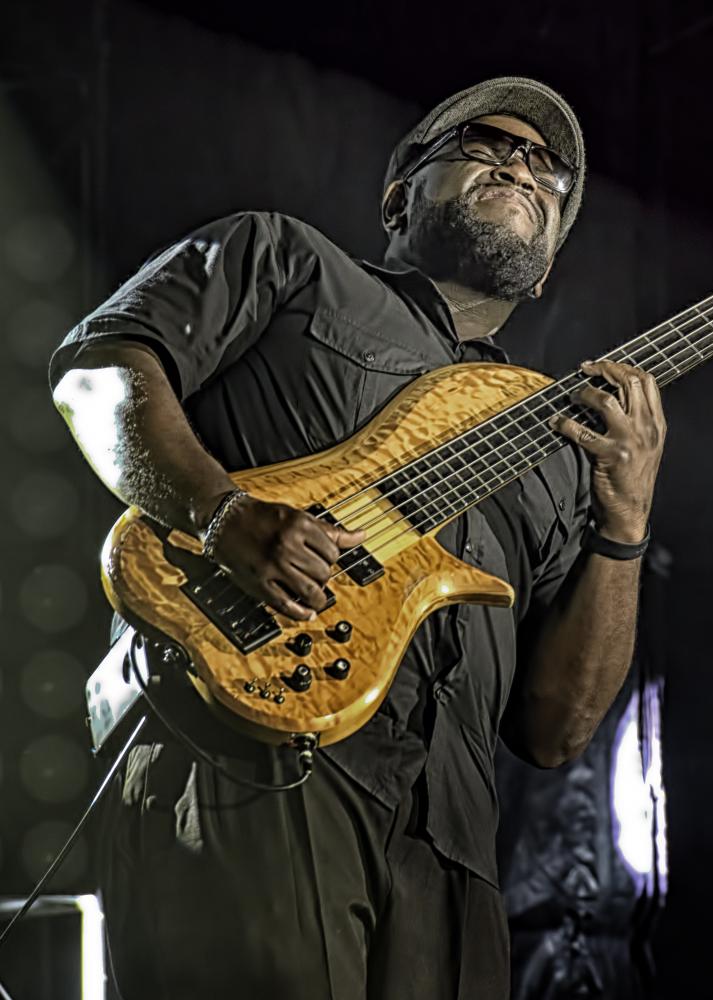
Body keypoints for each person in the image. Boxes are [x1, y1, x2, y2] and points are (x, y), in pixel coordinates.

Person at [50, 77, 666, 1000]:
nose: (523, 166)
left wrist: (625, 523)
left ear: (545, 271)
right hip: (244, 754)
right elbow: (98, 376)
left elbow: (554, 729)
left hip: (453, 843)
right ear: (398, 197)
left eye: (549, 170)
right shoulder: (285, 259)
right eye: (487, 143)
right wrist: (223, 516)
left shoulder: (557, 452)